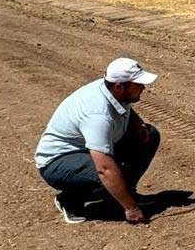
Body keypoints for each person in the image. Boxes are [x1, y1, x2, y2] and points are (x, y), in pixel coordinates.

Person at [35, 57, 161, 224]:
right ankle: (69, 201)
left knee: (149, 136)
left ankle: (124, 193)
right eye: (138, 84)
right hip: (57, 162)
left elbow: (124, 108)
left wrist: (138, 124)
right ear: (119, 86)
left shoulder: (112, 90)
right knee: (109, 175)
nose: (143, 87)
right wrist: (132, 209)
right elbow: (104, 169)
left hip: (85, 149)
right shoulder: (97, 115)